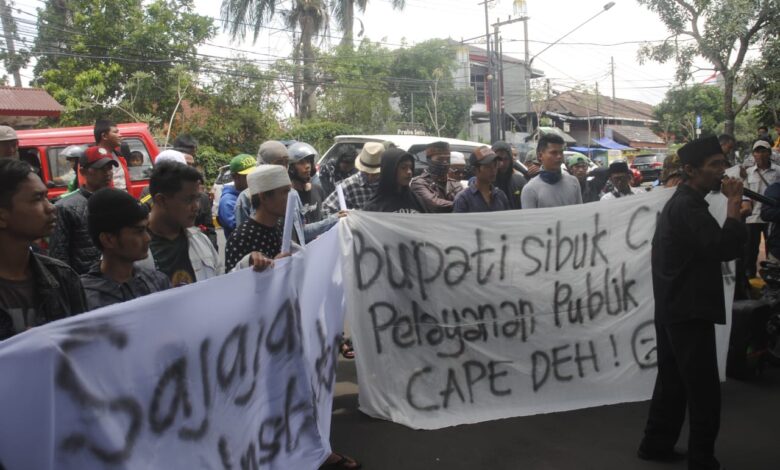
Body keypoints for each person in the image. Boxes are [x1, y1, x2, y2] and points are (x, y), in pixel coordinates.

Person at [637, 135, 745, 470]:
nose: (721, 172)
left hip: (674, 307)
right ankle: (702, 459)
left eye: (722, 164)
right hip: (688, 310)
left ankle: (655, 445)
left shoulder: (684, 202)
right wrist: (733, 211)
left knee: (673, 382)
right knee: (703, 391)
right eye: (714, 166)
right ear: (689, 169)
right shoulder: (688, 206)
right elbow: (721, 249)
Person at [0, 159, 87, 340]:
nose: (51, 207)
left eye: (47, 197)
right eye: (37, 199)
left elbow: (83, 346)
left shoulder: (62, 278)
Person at [80, 188, 170, 310]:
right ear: (108, 239)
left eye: (146, 230)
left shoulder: (158, 282)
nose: (148, 238)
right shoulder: (83, 296)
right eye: (139, 231)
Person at [137, 162, 222, 286]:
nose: (196, 207)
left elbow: (220, 285)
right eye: (188, 200)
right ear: (161, 200)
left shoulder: (201, 241)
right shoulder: (133, 249)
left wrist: (247, 265)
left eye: (197, 199)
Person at [48, 146, 118, 275]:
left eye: (109, 168)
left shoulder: (119, 201)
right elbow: (59, 254)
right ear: (83, 171)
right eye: (100, 169)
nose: (107, 173)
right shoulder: (66, 207)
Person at [225, 165, 290, 272]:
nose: (290, 198)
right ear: (263, 197)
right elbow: (232, 283)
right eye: (284, 192)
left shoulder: (280, 228)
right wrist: (274, 267)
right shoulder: (241, 237)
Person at [742, 140, 780, 278]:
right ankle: (750, 278)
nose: (760, 154)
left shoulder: (778, 171)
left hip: (772, 219)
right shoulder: (747, 173)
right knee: (750, 251)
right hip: (753, 217)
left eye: (763, 151)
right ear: (753, 154)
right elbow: (744, 195)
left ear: (769, 153)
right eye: (757, 151)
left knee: (773, 251)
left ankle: (772, 278)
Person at [235, 140, 290, 227]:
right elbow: (244, 232)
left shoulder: (291, 192)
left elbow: (298, 232)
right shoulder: (246, 197)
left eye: (286, 162)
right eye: (279, 163)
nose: (284, 168)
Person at [321, 142, 384, 216]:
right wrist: (339, 217)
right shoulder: (349, 184)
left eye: (375, 174)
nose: (370, 177)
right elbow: (326, 209)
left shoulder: (391, 185)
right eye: (366, 173)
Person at [520, 134, 582, 209]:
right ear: (540, 156)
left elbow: (579, 214)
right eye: (554, 153)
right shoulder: (530, 189)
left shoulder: (573, 182)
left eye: (561, 152)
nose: (559, 156)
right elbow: (529, 219)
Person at [364, 148, 427, 213]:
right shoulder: (374, 207)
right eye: (403, 167)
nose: (409, 172)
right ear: (390, 170)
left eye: (410, 167)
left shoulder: (416, 201)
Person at [452, 146, 509, 213]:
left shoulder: (500, 196)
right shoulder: (463, 198)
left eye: (495, 165)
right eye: (488, 166)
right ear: (475, 170)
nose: (493, 170)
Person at [410, 141, 462, 213]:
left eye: (447, 159)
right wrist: (461, 205)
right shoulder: (419, 183)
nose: (444, 162)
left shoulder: (455, 184)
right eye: (440, 159)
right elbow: (435, 205)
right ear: (429, 160)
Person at [218, 154, 256, 240]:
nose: (253, 178)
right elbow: (240, 229)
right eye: (248, 175)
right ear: (235, 177)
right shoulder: (227, 201)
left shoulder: (253, 192)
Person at [287, 142, 327, 224]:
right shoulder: (289, 196)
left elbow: (324, 216)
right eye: (301, 162)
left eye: (309, 161)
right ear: (291, 168)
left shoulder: (318, 189)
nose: (307, 166)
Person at [93, 119, 131, 191]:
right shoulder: (91, 160)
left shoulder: (120, 157)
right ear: (104, 136)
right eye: (115, 132)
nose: (120, 135)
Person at [492, 141, 527, 209]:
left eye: (506, 159)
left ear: (511, 160)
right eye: (499, 159)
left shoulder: (519, 182)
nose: (503, 163)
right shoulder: (485, 184)